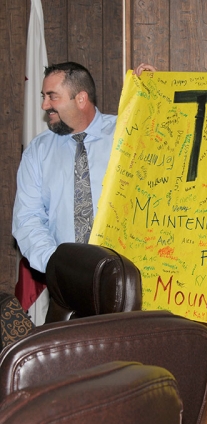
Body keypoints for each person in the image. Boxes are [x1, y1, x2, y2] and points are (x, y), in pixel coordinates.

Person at [13, 61, 156, 275]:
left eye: (52, 96)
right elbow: (27, 218)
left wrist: (157, 95)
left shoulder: (128, 135)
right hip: (66, 283)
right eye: (44, 96)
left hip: (131, 277)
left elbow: (170, 153)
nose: (44, 105)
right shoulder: (38, 151)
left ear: (81, 99)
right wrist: (57, 264)